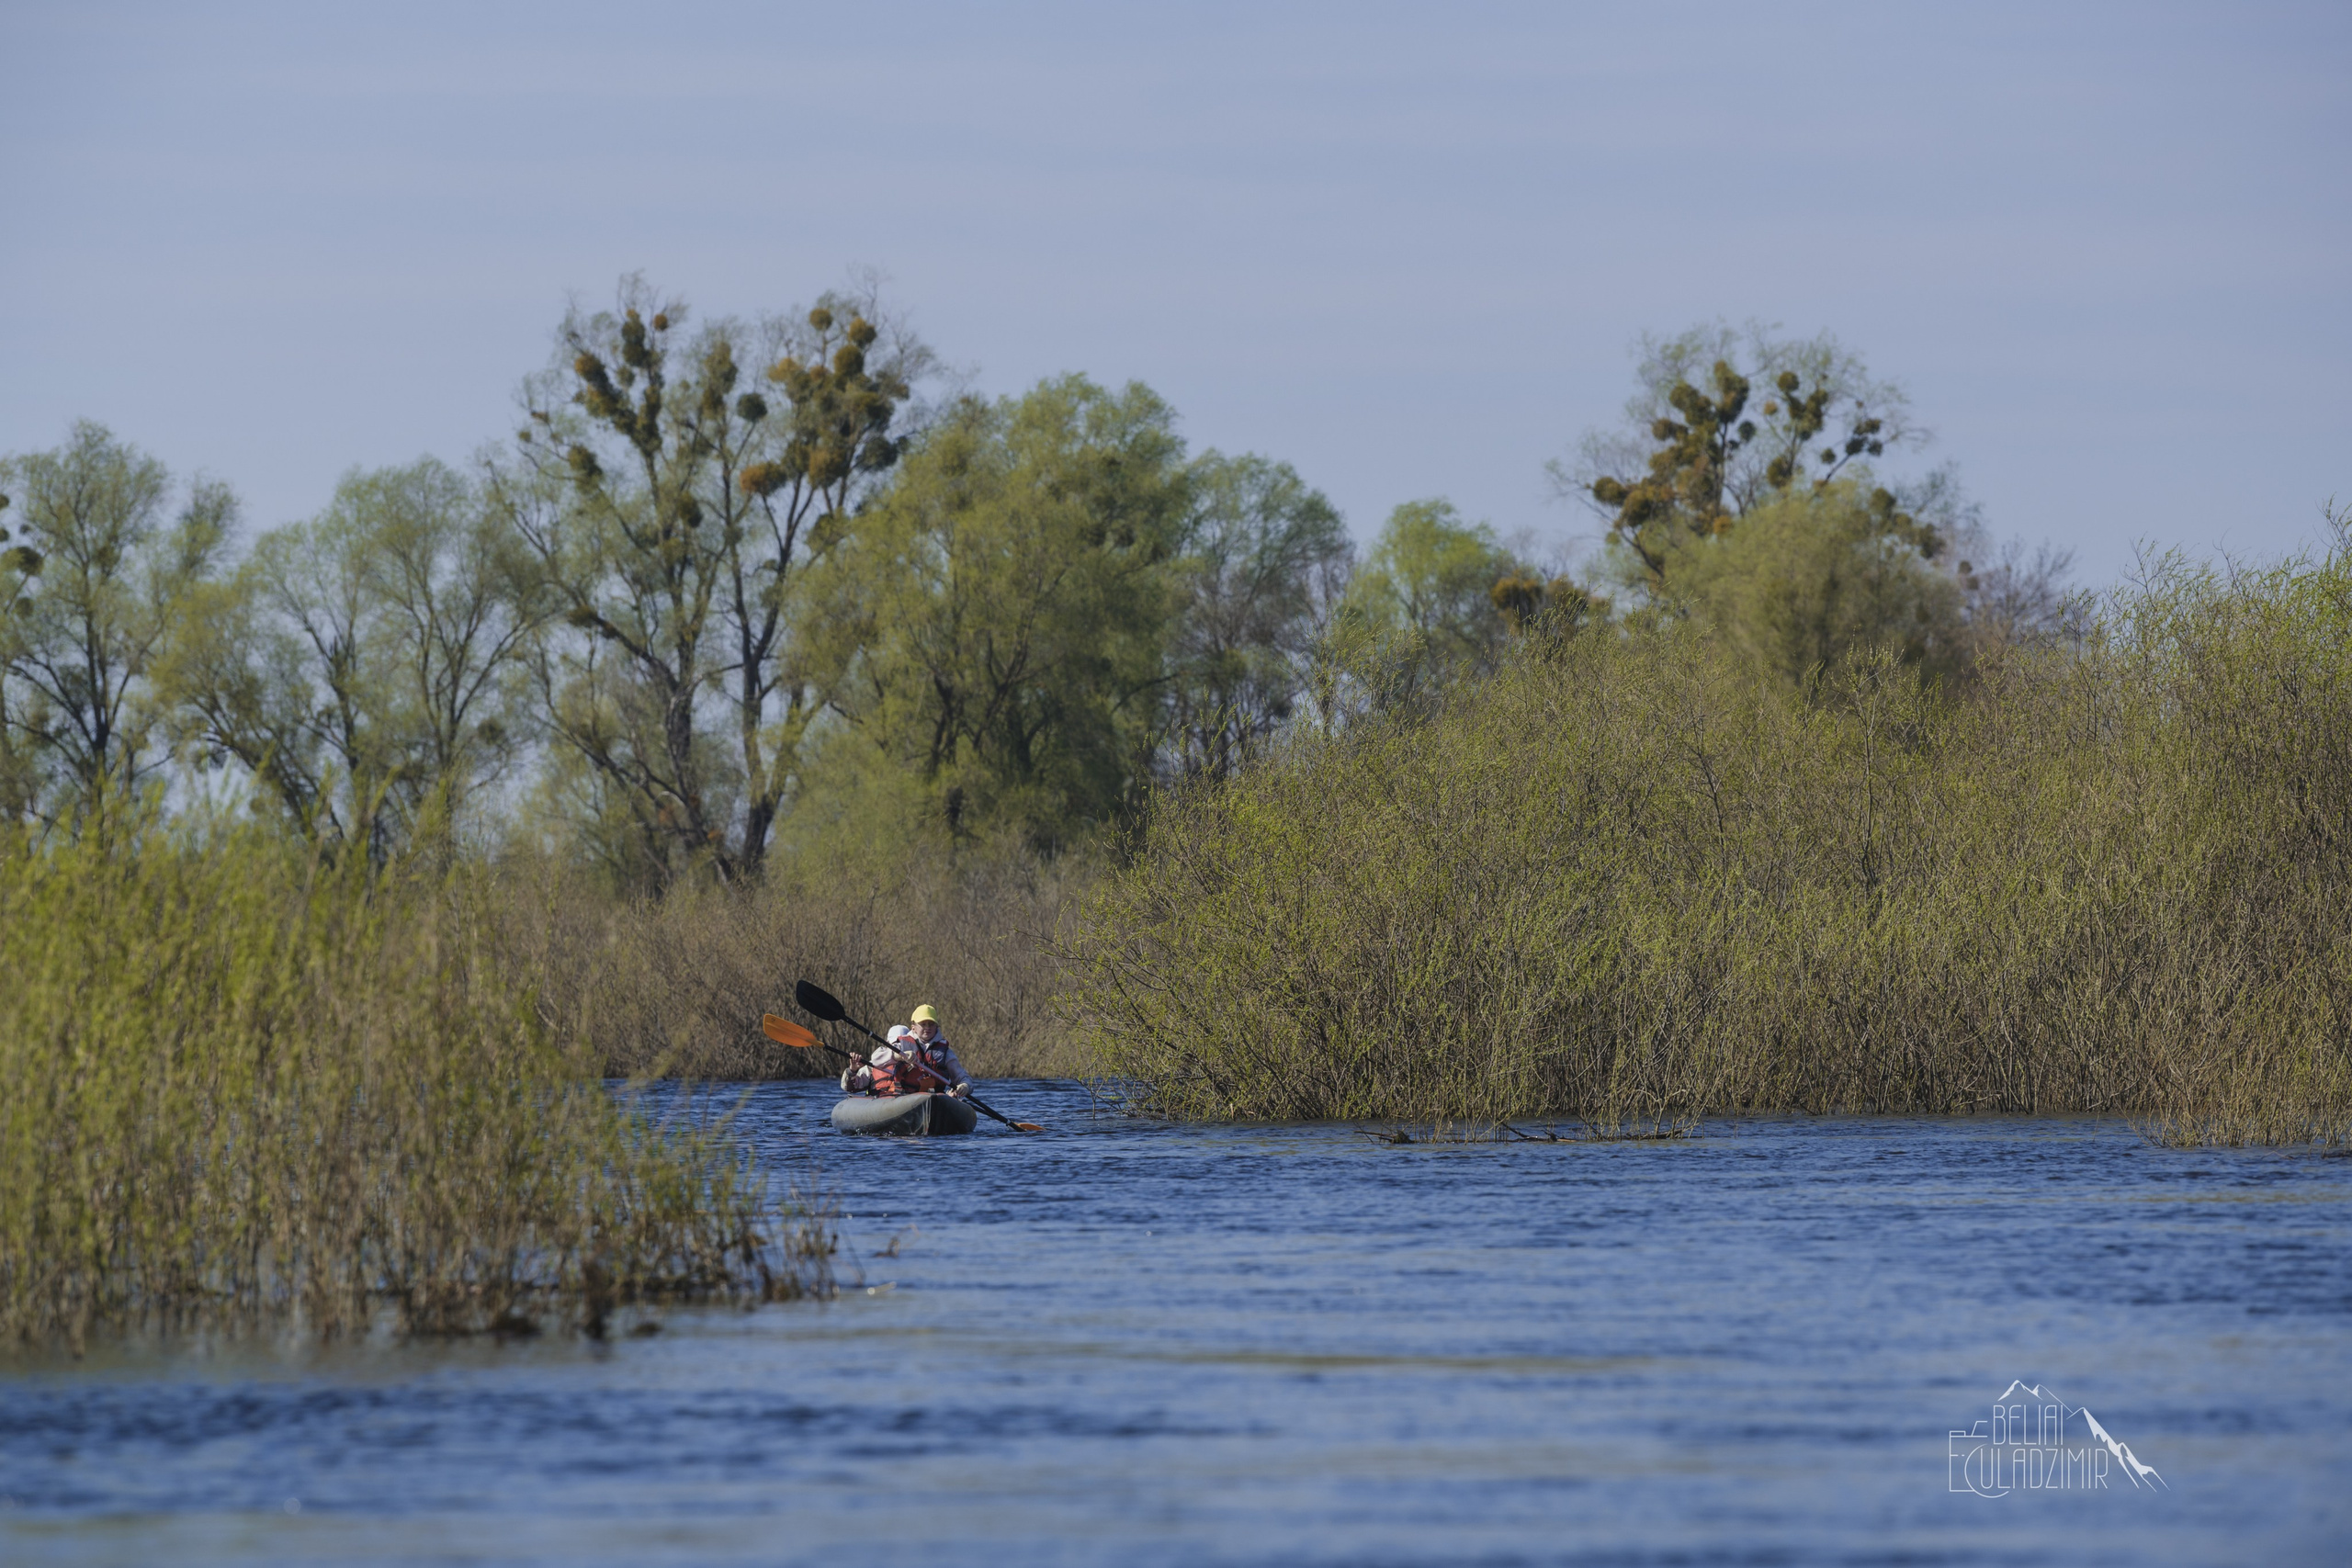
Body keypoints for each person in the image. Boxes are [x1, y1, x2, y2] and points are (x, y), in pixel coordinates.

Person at [839, 1004, 972, 1099]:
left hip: (931, 1099)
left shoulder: (945, 1052)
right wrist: (897, 1055)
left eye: (931, 1024)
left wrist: (965, 1086)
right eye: (923, 1024)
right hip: (902, 1100)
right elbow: (875, 1060)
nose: (927, 1028)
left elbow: (962, 1077)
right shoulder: (902, 1044)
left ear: (936, 1026)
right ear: (913, 1027)